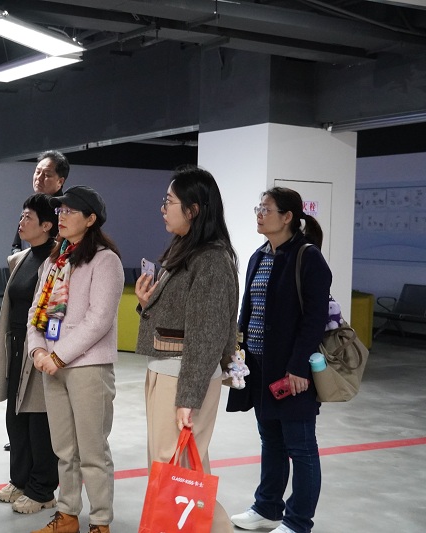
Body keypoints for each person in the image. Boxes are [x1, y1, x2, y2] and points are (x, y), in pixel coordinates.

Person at [134, 165, 238, 532]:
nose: (163, 209)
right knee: (182, 468)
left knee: (174, 468)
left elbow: (207, 334)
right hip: (168, 371)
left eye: (169, 202)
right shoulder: (186, 250)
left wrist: (188, 397)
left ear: (193, 210)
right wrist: (146, 303)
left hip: (183, 376)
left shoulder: (211, 259)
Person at [227, 187, 332, 533]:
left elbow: (314, 319)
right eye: (258, 208)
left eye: (266, 209)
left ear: (287, 217)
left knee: (301, 446)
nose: (259, 214)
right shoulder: (259, 256)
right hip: (260, 368)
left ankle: (298, 522)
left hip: (292, 371)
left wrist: (298, 366)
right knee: (270, 440)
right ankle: (267, 507)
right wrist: (237, 354)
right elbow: (248, 310)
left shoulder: (307, 257)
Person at [28, 186, 124, 533]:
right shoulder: (55, 260)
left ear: (91, 219)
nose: (62, 217)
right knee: (64, 450)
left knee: (93, 451)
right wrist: (38, 351)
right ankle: (67, 515)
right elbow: (36, 313)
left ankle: (100, 522)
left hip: (87, 367)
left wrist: (58, 356)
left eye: (70, 211)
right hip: (51, 366)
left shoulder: (105, 261)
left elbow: (99, 320)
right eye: (60, 211)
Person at [0, 194, 60, 514]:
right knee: (16, 416)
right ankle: (19, 479)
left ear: (46, 226)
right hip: (17, 344)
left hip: (41, 348)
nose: (21, 222)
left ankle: (42, 489)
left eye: (28, 217)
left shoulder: (58, 261)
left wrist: (45, 350)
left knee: (39, 420)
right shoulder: (21, 259)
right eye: (21, 216)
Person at [11, 150, 69, 254]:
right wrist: (19, 257)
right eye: (37, 172)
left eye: (47, 175)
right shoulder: (31, 205)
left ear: (60, 181)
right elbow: (17, 245)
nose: (39, 178)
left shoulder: (65, 210)